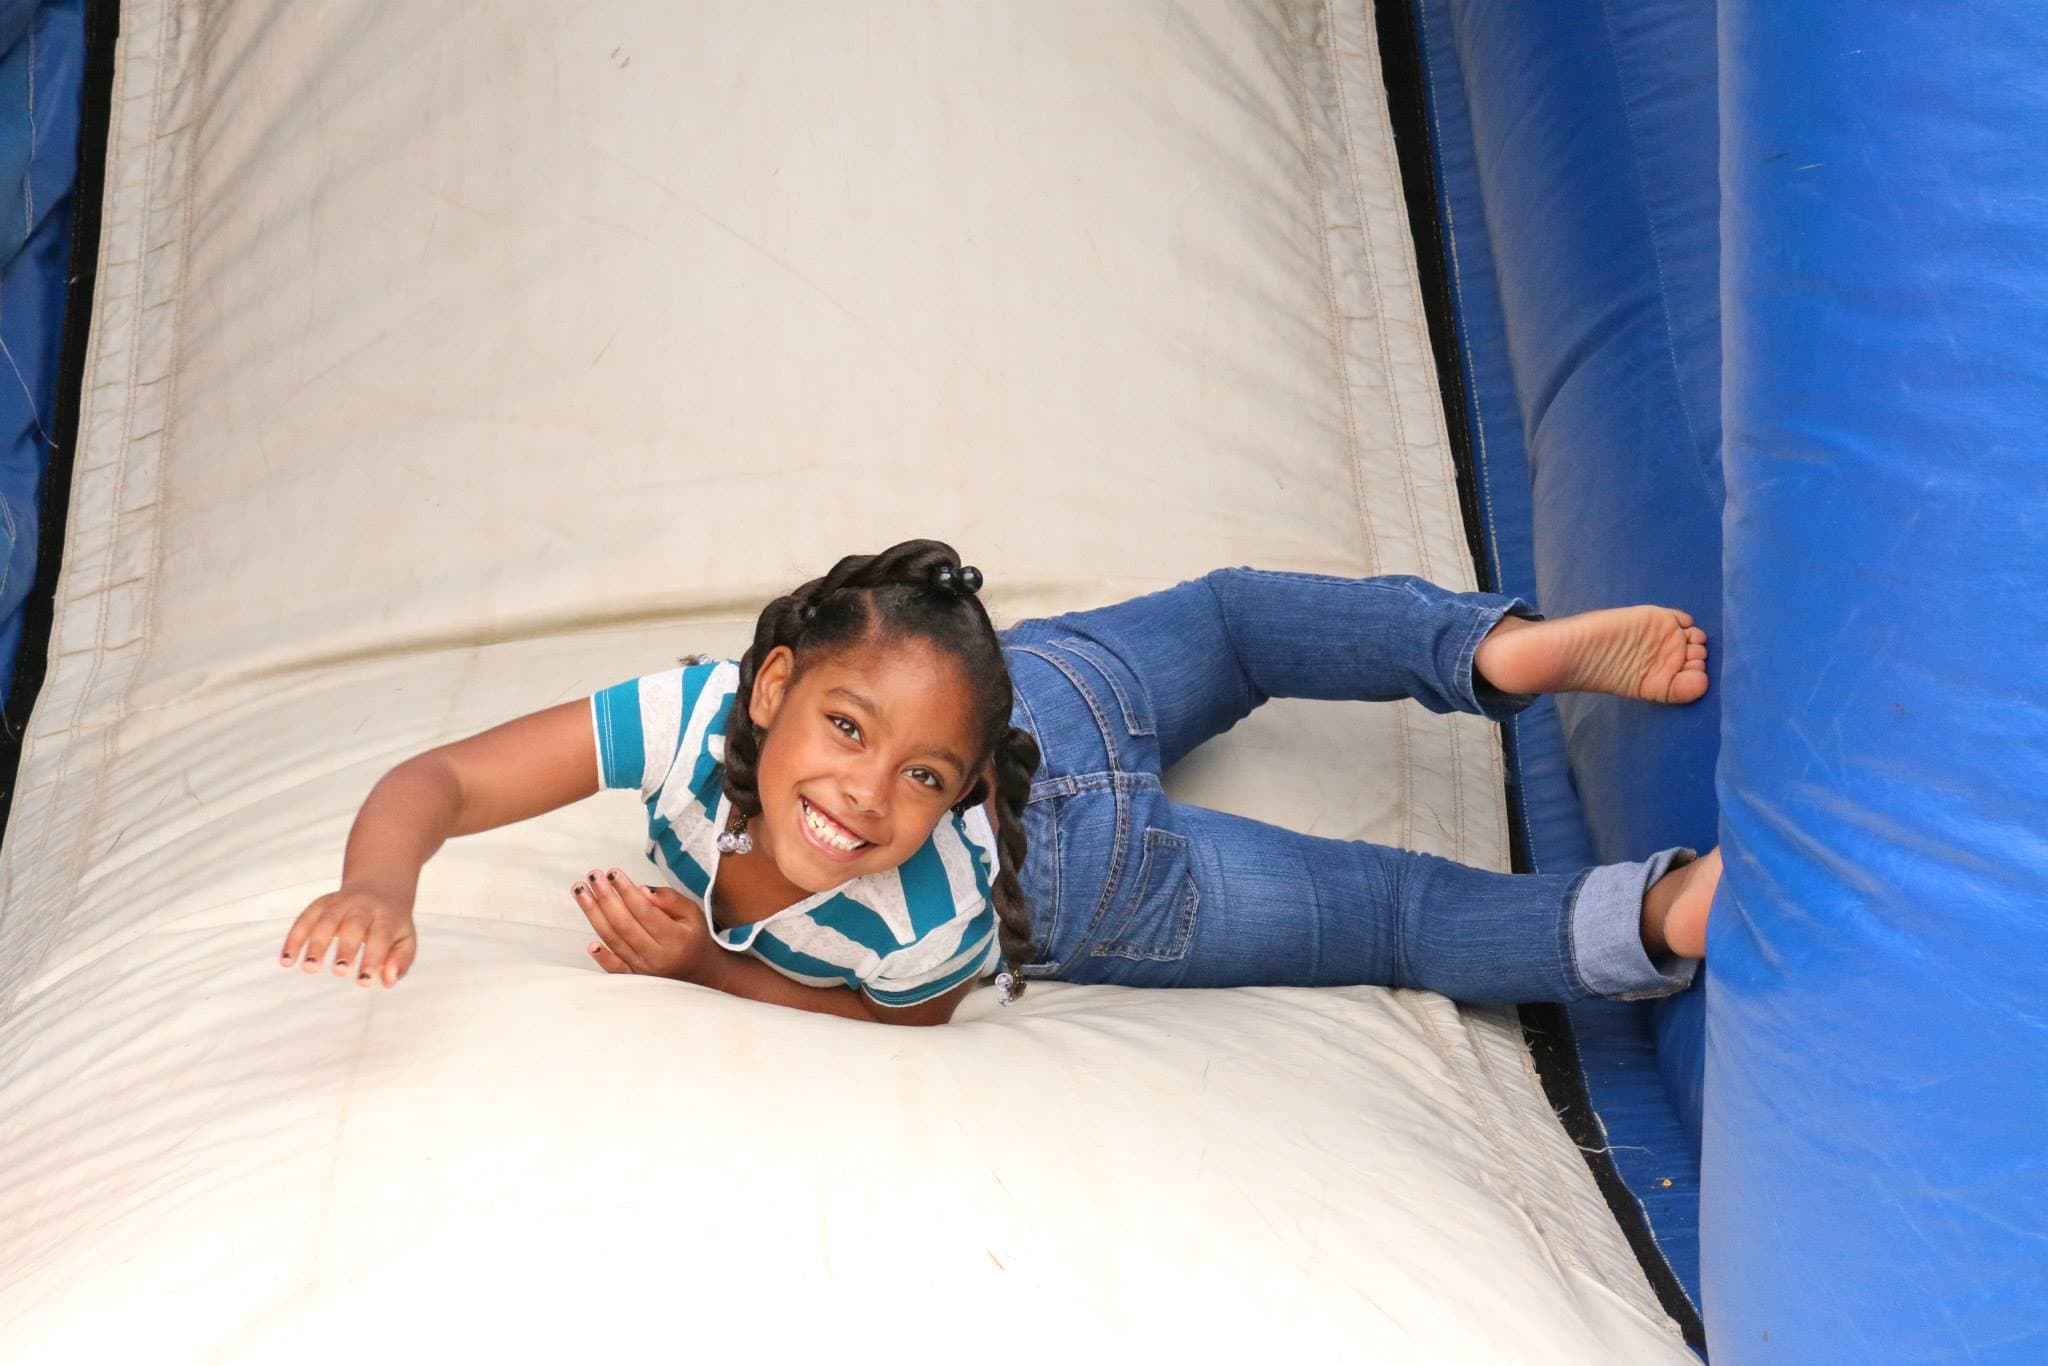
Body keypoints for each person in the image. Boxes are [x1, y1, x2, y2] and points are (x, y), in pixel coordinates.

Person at [277, 538, 1721, 1026]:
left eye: (911, 771)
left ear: (957, 778)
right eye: (842, 730)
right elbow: (444, 781)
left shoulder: (922, 907)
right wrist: (375, 881)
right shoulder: (689, 711)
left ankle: (1520, 686)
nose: (861, 797)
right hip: (1076, 779)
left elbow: (889, 1012)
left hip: (1072, 794)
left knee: (1388, 912)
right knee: (1236, 640)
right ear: (768, 689)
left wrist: (708, 969)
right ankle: (1642, 892)